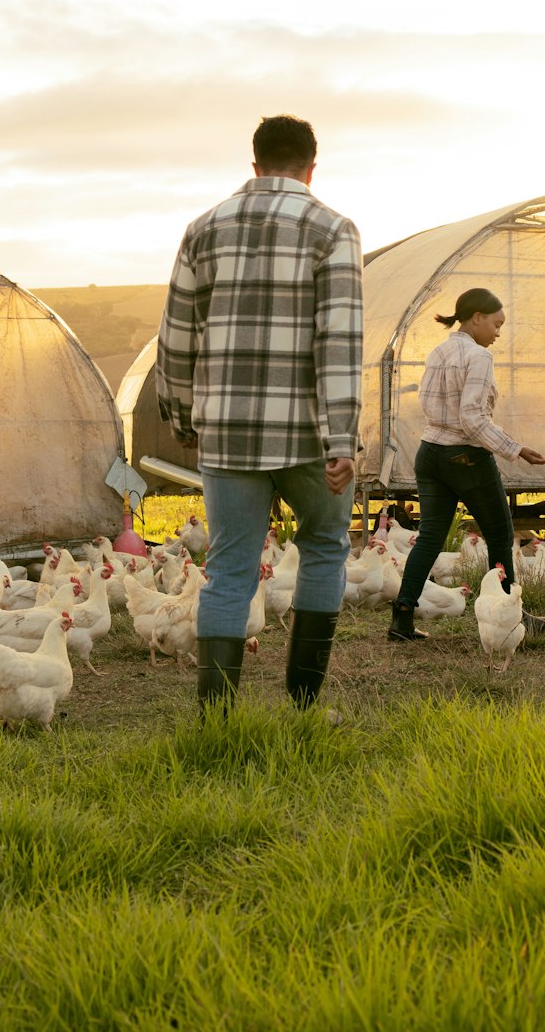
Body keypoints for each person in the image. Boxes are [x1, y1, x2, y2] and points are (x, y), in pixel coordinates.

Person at [155, 115, 363, 710]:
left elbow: (176, 337)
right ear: (311, 167)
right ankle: (302, 707)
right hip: (308, 438)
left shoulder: (203, 229)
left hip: (228, 433)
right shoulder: (332, 229)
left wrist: (184, 418)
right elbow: (339, 340)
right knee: (324, 547)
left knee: (228, 568)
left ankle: (218, 723)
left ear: (255, 165)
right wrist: (342, 437)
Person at [390, 287, 545, 642]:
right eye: (496, 324)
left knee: (430, 537)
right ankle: (511, 617)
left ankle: (401, 617)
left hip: (430, 452)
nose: (497, 333)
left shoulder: (438, 352)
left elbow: (434, 408)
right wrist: (517, 449)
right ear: (477, 317)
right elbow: (472, 418)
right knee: (498, 534)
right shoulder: (479, 357)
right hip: (464, 456)